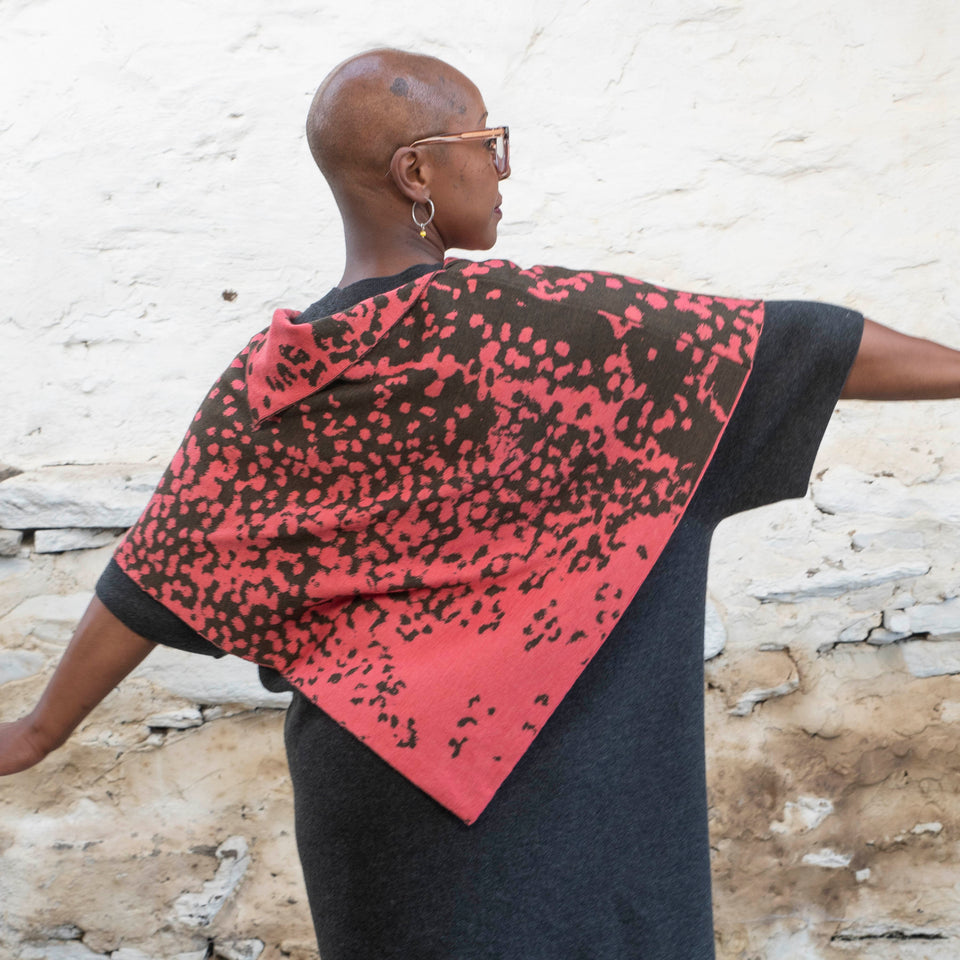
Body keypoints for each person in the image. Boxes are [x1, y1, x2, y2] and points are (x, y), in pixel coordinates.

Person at [2, 47, 959, 960]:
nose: (502, 172)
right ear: (417, 171)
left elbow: (158, 569)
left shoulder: (273, 382)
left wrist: (40, 730)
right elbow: (806, 348)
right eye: (485, 147)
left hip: (372, 795)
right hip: (565, 787)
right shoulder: (560, 332)